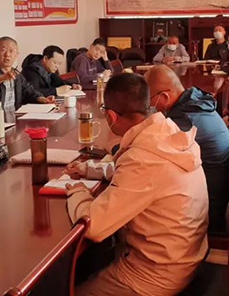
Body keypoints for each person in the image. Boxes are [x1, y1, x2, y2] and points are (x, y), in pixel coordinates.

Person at [65, 73, 208, 295]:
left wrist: (77, 192)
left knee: (68, 289)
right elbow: (141, 177)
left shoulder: (142, 159)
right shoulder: (166, 131)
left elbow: (93, 226)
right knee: (87, 265)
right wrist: (91, 169)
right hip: (185, 256)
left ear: (111, 116)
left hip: (156, 273)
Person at [143, 64, 229, 233]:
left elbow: (149, 150)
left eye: (149, 100)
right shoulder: (195, 103)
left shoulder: (184, 120)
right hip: (214, 196)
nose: (148, 107)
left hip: (207, 211)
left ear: (164, 96)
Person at [0, 37, 53, 119]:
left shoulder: (17, 74)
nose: (7, 54)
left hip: (14, 117)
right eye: (3, 50)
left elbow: (29, 91)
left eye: (11, 51)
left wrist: (42, 99)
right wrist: (2, 78)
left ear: (16, 55)